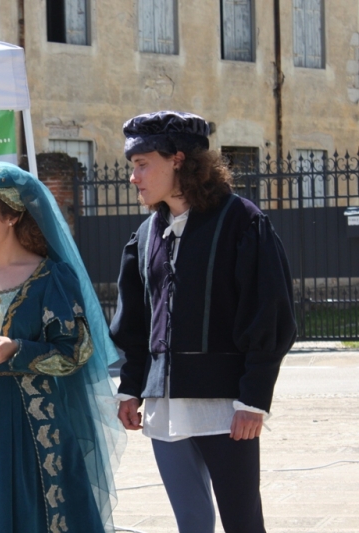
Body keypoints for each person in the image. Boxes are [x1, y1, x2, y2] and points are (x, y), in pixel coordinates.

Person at [109, 111, 297, 533]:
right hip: (163, 405)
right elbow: (136, 322)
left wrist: (253, 399)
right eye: (132, 167)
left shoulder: (241, 221)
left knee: (242, 523)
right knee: (191, 522)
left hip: (226, 407)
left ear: (178, 159)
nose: (134, 177)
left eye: (142, 164)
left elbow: (270, 310)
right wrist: (132, 387)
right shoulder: (144, 236)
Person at [0, 161, 124, 533]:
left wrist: (18, 349)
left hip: (36, 425)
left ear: (13, 217)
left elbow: (75, 352)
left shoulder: (50, 277)